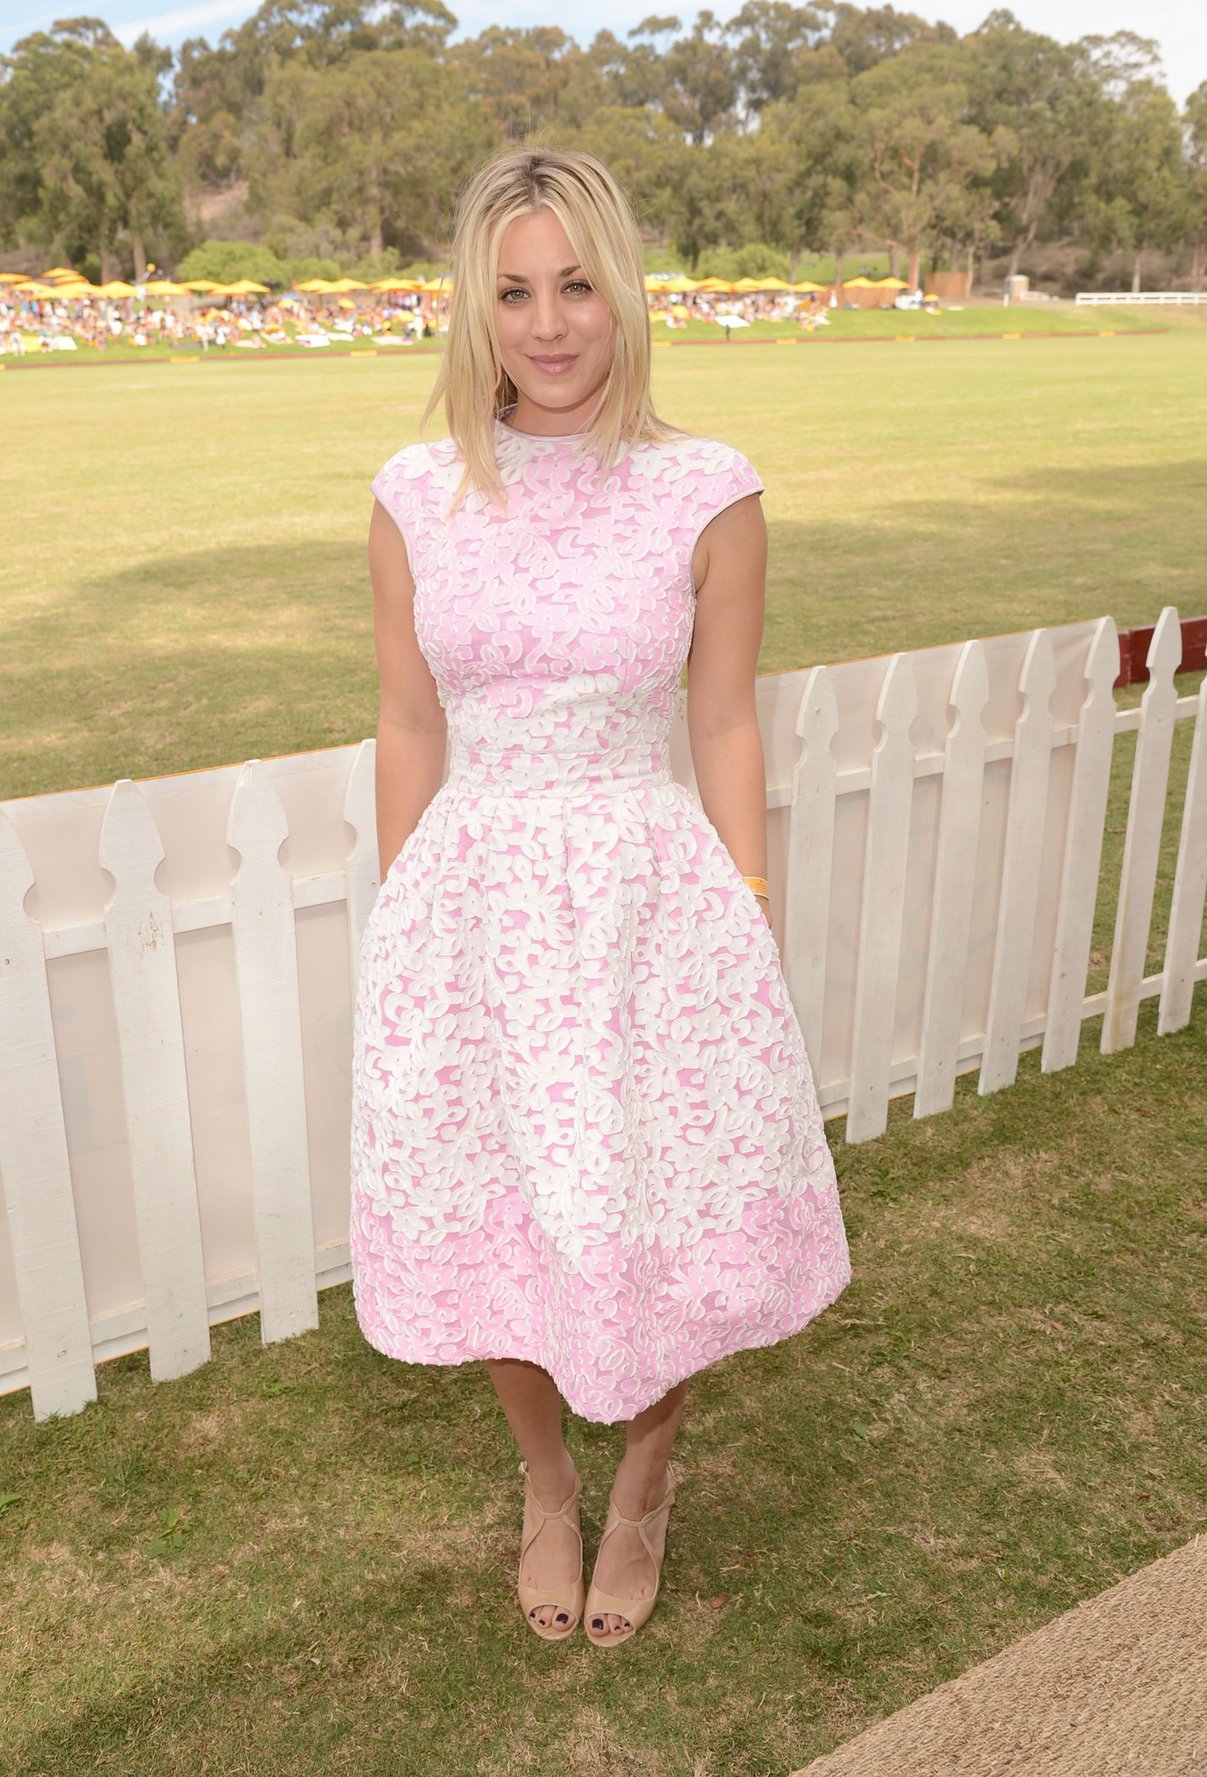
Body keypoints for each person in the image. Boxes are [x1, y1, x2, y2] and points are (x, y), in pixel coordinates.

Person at [348, 146, 852, 1649]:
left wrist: (745, 902)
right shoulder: (414, 495)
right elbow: (407, 721)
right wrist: (406, 918)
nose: (549, 321)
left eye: (576, 284)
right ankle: (548, 1485)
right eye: (514, 289)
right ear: (472, 305)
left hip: (648, 902)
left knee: (648, 1199)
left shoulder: (708, 489)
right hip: (476, 902)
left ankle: (646, 1475)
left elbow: (724, 719)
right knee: (496, 1208)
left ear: (621, 291)